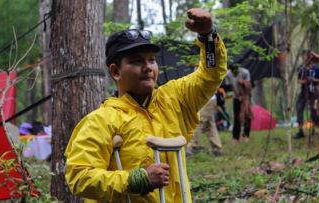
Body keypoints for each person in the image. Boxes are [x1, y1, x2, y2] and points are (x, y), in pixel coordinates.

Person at [64, 8, 227, 203]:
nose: (148, 67)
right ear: (116, 72)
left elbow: (210, 76)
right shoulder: (100, 121)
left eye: (151, 60)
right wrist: (137, 179)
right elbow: (79, 177)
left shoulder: (174, 99)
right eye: (137, 61)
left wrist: (208, 37)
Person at [294, 49, 319, 139]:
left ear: (310, 57)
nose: (305, 59)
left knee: (314, 110)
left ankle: (316, 130)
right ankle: (300, 131)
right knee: (299, 108)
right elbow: (298, 80)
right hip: (303, 91)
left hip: (313, 91)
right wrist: (304, 81)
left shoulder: (316, 68)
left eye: (307, 56)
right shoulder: (301, 68)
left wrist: (313, 79)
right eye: (304, 57)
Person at [226, 64, 252, 145]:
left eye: (236, 71)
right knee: (236, 117)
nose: (235, 73)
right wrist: (237, 95)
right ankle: (235, 137)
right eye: (233, 72)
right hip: (236, 97)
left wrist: (243, 82)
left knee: (247, 116)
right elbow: (231, 86)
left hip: (246, 97)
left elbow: (249, 86)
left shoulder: (245, 72)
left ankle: (246, 135)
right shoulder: (228, 74)